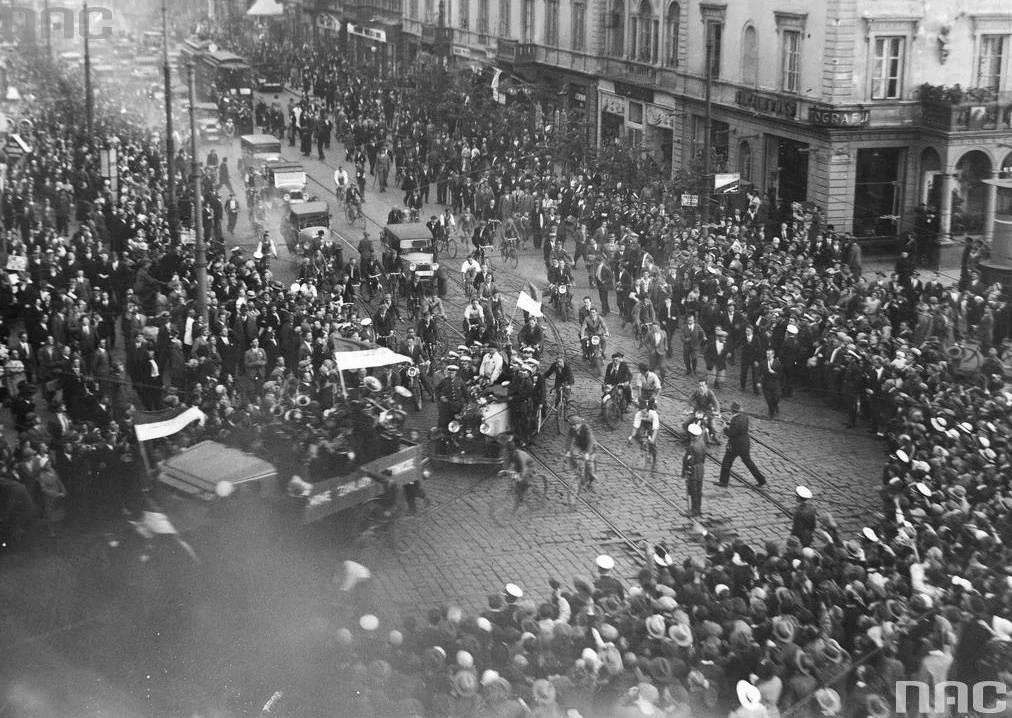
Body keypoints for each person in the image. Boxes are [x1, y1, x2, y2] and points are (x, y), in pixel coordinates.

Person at [717, 402, 766, 487]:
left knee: (726, 462)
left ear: (732, 410)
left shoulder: (735, 420)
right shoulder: (744, 417)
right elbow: (739, 428)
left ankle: (723, 481)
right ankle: (761, 480)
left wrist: (725, 427)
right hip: (745, 443)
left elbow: (730, 433)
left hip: (735, 446)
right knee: (748, 462)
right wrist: (730, 424)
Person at [566, 415, 598, 489]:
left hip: (590, 447)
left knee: (589, 464)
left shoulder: (586, 428)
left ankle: (592, 479)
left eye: (575, 425)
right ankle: (577, 471)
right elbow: (568, 439)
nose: (573, 427)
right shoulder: (572, 428)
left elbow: (590, 441)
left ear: (580, 424)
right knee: (572, 454)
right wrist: (568, 451)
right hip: (579, 445)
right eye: (572, 425)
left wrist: (587, 453)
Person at [685, 378, 720, 442]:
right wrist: (687, 409)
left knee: (713, 427)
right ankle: (688, 436)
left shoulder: (710, 393)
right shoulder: (697, 392)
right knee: (686, 423)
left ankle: (715, 437)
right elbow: (690, 400)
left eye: (703, 386)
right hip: (698, 410)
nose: (701, 387)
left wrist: (717, 411)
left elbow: (715, 403)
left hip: (708, 411)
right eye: (700, 386)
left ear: (706, 386)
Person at [628, 399, 659, 471]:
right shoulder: (638, 415)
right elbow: (635, 428)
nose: (643, 414)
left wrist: (652, 439)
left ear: (648, 411)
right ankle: (644, 449)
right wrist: (631, 437)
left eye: (644, 412)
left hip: (652, 425)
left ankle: (654, 459)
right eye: (642, 412)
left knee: (653, 444)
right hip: (643, 424)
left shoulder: (654, 414)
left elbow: (655, 430)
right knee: (639, 436)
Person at [683, 423, 706, 516]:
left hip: (693, 470)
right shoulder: (702, 443)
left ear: (691, 434)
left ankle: (694, 510)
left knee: (693, 490)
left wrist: (686, 470)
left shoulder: (692, 446)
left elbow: (690, 460)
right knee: (699, 490)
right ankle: (698, 509)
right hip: (701, 468)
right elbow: (703, 457)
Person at [760, 347, 783, 418]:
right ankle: (771, 411)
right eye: (767, 354)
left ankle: (775, 405)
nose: (768, 356)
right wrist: (758, 382)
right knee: (768, 398)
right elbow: (758, 372)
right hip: (766, 384)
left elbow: (781, 374)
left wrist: (774, 373)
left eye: (770, 354)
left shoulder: (777, 363)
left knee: (777, 397)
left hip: (775, 384)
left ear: (773, 355)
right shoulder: (763, 363)